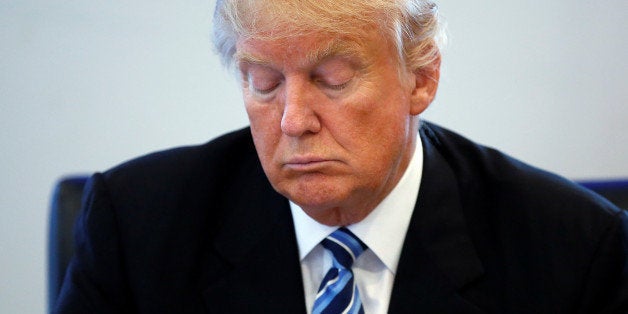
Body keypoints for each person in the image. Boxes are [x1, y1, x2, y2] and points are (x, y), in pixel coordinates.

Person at [55, 0, 628, 313]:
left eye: (331, 80)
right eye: (264, 83)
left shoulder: (575, 252)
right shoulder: (135, 227)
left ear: (421, 78)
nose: (293, 120)